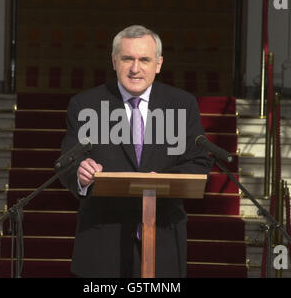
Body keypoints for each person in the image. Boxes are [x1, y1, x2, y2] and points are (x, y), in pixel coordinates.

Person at [59, 25, 212, 278]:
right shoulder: (85, 105)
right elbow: (68, 162)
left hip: (163, 240)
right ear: (114, 61)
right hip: (103, 244)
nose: (135, 68)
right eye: (127, 58)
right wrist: (80, 173)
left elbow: (198, 162)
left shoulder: (182, 104)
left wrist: (160, 182)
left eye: (144, 59)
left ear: (159, 63)